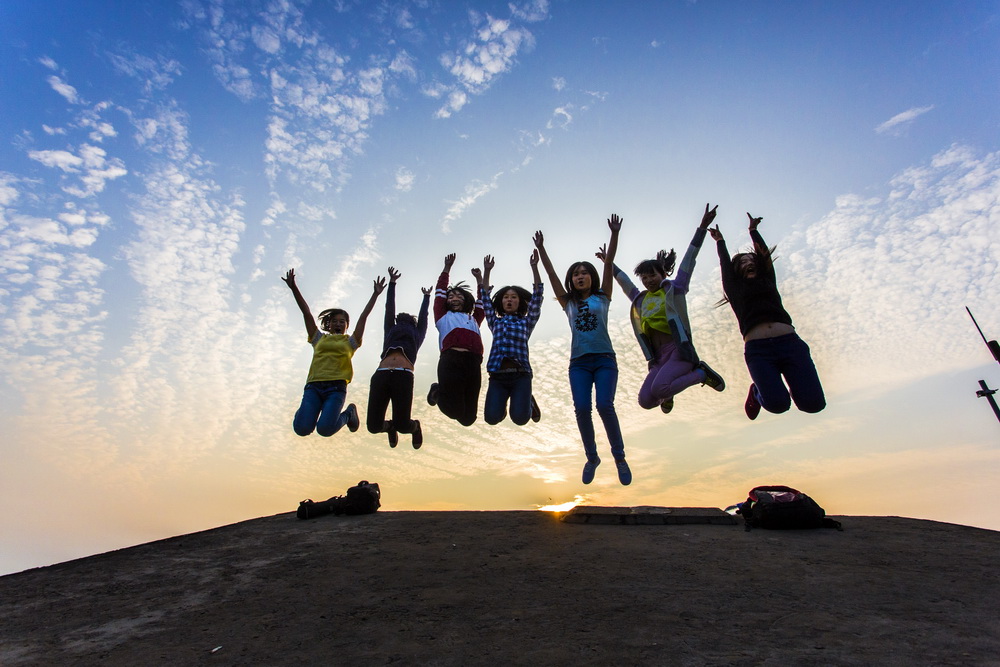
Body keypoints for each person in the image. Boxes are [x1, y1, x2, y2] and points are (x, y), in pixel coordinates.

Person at [597, 203, 725, 415]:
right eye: (644, 277)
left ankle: (701, 373)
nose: (648, 281)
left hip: (678, 351)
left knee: (659, 388)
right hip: (658, 358)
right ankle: (670, 392)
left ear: (662, 274)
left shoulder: (675, 289)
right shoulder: (640, 299)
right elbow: (624, 281)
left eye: (652, 275)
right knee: (646, 401)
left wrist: (702, 227)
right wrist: (607, 262)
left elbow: (689, 258)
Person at [533, 215, 631, 486]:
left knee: (604, 405)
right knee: (581, 408)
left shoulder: (603, 296)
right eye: (575, 274)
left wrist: (614, 234)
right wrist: (542, 250)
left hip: (604, 360)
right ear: (571, 280)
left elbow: (609, 264)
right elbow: (552, 275)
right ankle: (592, 457)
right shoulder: (568, 303)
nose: (580, 276)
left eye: (584, 272)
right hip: (578, 363)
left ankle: (620, 457)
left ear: (592, 277)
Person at [709, 212, 826, 419]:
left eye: (750, 260)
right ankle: (757, 391)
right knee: (777, 404)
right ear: (738, 270)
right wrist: (720, 242)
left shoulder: (768, 281)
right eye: (742, 262)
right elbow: (725, 266)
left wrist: (753, 231)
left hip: (790, 345)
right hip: (759, 351)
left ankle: (795, 386)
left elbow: (764, 257)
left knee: (814, 404)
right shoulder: (735, 289)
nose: (747, 263)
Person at [282, 268, 384, 437]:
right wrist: (294, 288)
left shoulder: (351, 342)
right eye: (334, 321)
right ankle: (304, 414)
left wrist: (375, 295)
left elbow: (363, 316)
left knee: (325, 429)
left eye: (342, 322)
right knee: (302, 429)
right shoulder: (318, 339)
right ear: (328, 325)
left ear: (346, 326)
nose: (338, 324)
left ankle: (349, 414)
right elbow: (306, 313)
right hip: (314, 386)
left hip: (336, 388)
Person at [472, 252, 544, 426]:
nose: (509, 300)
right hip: (497, 377)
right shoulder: (495, 322)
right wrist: (486, 271)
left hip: (521, 376)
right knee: (491, 418)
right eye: (506, 297)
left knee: (520, 419)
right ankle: (505, 405)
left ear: (519, 302)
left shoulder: (527, 322)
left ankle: (528, 402)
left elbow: (538, 295)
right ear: (502, 303)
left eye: (513, 297)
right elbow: (486, 298)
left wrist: (534, 267)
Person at [366, 266, 430, 449]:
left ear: (412, 322)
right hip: (382, 374)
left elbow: (424, 318)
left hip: (403, 375)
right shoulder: (390, 330)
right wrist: (392, 283)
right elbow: (389, 309)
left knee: (404, 425)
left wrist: (426, 298)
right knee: (373, 426)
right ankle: (389, 428)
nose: (402, 316)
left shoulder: (417, 334)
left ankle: (415, 426)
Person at [427, 253, 485, 426]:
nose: (454, 298)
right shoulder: (443, 317)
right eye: (450, 296)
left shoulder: (474, 318)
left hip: (473, 363)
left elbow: (483, 302)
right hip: (451, 359)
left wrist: (480, 279)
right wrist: (447, 268)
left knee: (468, 419)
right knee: (454, 410)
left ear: (466, 300)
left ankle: (462, 413)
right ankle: (437, 391)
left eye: (458, 295)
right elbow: (439, 293)